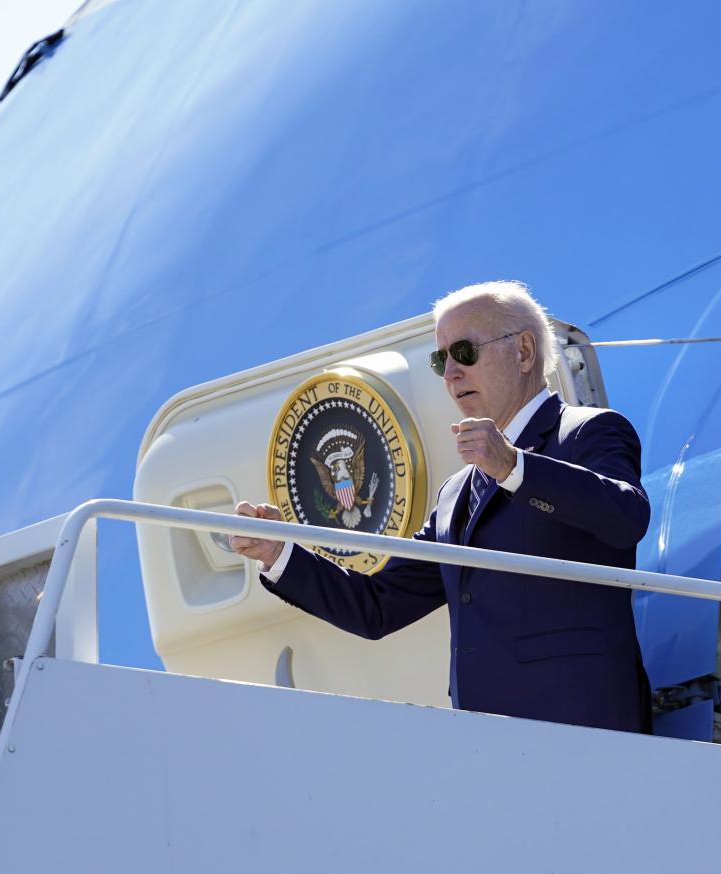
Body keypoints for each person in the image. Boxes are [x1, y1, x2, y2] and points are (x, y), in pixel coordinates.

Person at [229, 280, 652, 733]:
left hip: (585, 728)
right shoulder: (457, 492)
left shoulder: (587, 432)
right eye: (441, 358)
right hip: (483, 742)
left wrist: (513, 466)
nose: (450, 372)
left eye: (465, 352)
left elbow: (626, 516)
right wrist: (280, 554)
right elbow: (377, 606)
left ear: (525, 351)